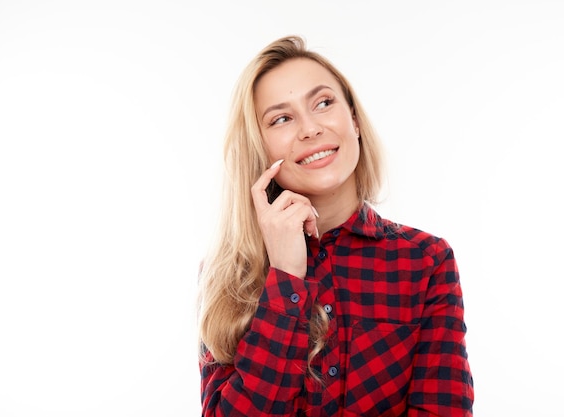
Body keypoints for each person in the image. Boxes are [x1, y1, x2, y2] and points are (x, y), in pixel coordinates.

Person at [196, 35, 474, 416]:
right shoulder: (228, 275)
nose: (310, 129)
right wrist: (286, 279)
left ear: (355, 121)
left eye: (323, 103)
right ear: (260, 149)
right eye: (281, 118)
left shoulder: (426, 262)